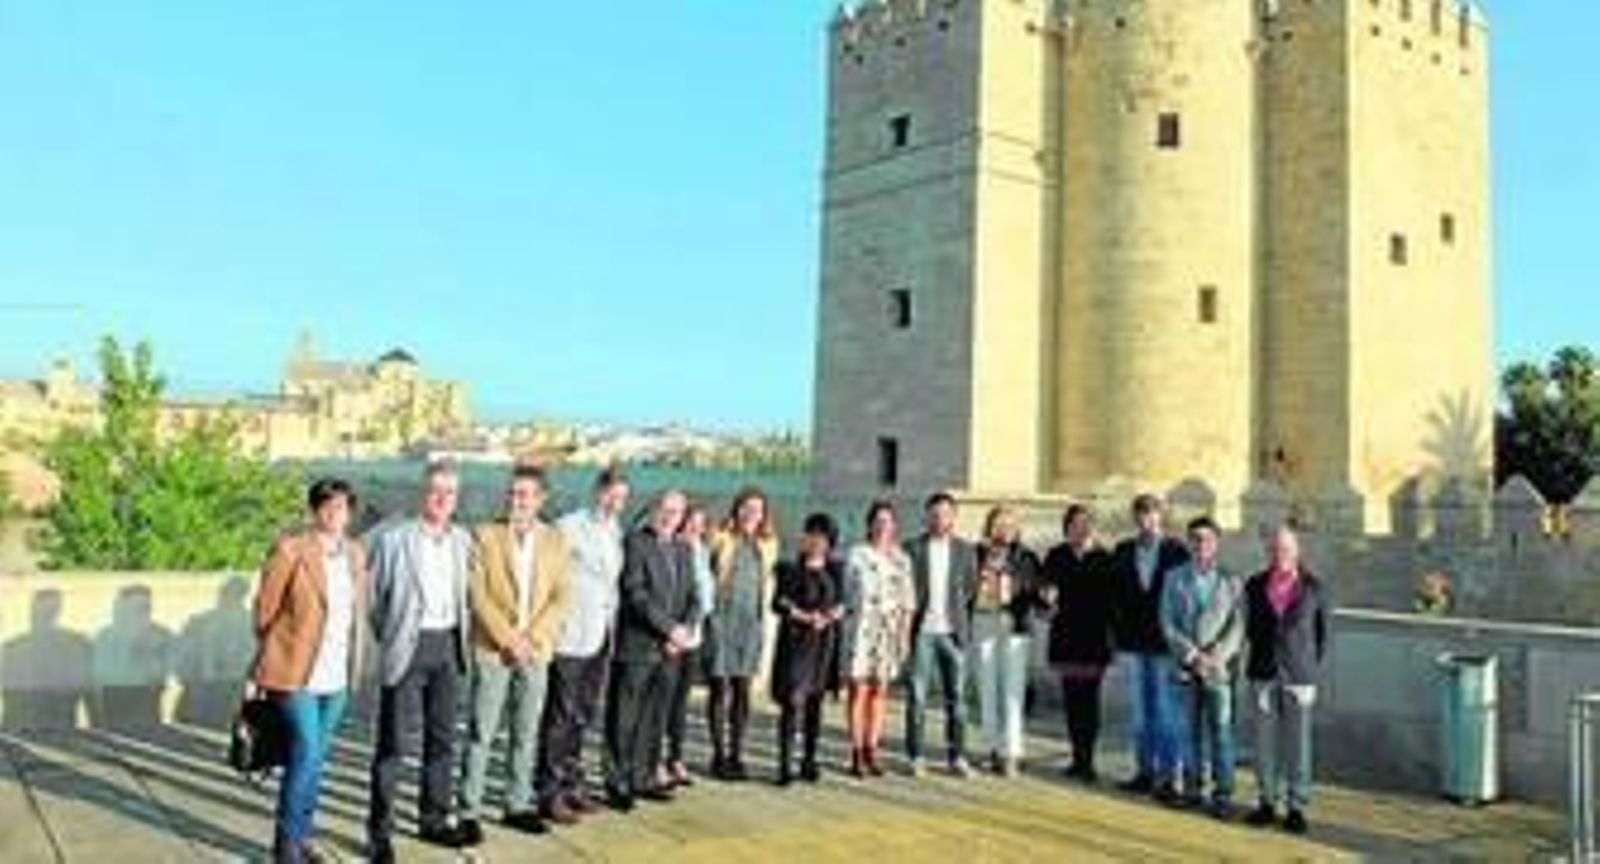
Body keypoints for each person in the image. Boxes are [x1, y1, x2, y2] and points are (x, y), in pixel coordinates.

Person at [252, 478, 368, 864]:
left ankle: (300, 839)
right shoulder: (291, 550)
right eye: (328, 507)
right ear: (314, 511)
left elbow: (356, 613)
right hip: (295, 672)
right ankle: (287, 847)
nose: (336, 514)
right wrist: (277, 650)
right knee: (306, 751)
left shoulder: (355, 553)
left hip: (337, 674)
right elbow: (264, 611)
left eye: (343, 507)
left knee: (316, 758)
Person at [366, 462, 477, 861]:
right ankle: (379, 832)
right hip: (407, 648)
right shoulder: (394, 540)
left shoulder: (463, 540)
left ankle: (433, 819)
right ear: (422, 493)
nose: (443, 498)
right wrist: (394, 637)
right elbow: (374, 601)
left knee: (443, 740)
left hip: (449, 644)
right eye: (436, 490)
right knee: (394, 743)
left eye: (450, 492)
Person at [457, 465, 573, 841]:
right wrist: (508, 638)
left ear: (541, 499)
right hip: (493, 649)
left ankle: (517, 804)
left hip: (535, 652)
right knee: (481, 731)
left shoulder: (556, 540)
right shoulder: (486, 535)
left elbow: (561, 596)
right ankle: (469, 809)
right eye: (512, 493)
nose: (516, 500)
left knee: (526, 732)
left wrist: (531, 639)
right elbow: (477, 594)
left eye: (524, 494)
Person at [536, 468, 630, 826]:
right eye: (612, 496)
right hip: (570, 635)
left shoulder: (614, 530)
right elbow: (551, 578)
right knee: (559, 715)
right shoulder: (568, 526)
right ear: (598, 491)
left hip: (601, 634)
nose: (616, 504)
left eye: (622, 498)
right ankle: (549, 792)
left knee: (583, 714)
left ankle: (573, 785)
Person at [603, 490, 698, 811]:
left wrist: (683, 631)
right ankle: (618, 781)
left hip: (671, 651)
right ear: (654, 510)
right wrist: (669, 629)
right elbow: (635, 593)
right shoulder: (636, 542)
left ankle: (644, 777)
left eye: (677, 511)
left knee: (655, 719)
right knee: (624, 717)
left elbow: (694, 596)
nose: (671, 516)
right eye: (665, 509)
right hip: (639, 647)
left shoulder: (684, 548)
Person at [1243, 525, 1329, 836]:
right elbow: (1249, 629)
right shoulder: (1254, 585)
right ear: (1268, 552)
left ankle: (1297, 807)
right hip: (1263, 673)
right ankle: (1266, 802)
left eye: (1286, 549)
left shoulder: (1314, 587)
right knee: (1263, 744)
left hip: (1299, 676)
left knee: (1299, 745)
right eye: (1275, 549)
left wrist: (1306, 668)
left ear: (1297, 551)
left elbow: (1322, 635)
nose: (1280, 554)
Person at [1160, 516, 1245, 819]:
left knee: (1221, 733)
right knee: (1188, 732)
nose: (1200, 544)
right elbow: (1167, 623)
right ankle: (1195, 789)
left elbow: (1238, 626)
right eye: (1195, 538)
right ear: (1188, 542)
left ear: (1216, 543)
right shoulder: (1174, 578)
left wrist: (1215, 657)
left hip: (1218, 672)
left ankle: (1223, 794)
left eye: (1207, 538)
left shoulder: (1231, 581)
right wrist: (1192, 655)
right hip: (1184, 668)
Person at [1108, 493, 1191, 802]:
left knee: (1167, 712)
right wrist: (1115, 637)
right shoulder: (1123, 550)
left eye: (1153, 514)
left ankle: (1172, 777)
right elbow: (1114, 597)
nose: (1147, 520)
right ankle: (1145, 772)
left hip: (1165, 645)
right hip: (1132, 644)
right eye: (1142, 515)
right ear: (1135, 518)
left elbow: (1184, 598)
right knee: (1141, 713)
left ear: (1161, 517)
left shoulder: (1176, 551)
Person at [704, 487, 780, 782]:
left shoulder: (769, 543)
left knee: (742, 689)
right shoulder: (721, 537)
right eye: (746, 507)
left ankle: (737, 753)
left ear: (763, 515)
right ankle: (718, 754)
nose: (751, 513)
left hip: (750, 623)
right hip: (722, 619)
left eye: (757, 509)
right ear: (736, 509)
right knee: (719, 688)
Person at [903, 491, 978, 778]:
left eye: (945, 514)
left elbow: (970, 591)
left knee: (957, 699)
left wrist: (960, 622)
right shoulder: (912, 548)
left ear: (953, 517)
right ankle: (916, 755)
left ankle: (957, 756)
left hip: (952, 633)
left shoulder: (966, 550)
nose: (939, 519)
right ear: (926, 516)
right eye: (934, 514)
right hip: (922, 631)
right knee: (917, 697)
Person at [840, 500, 917, 778]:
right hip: (861, 632)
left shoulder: (902, 558)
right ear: (869, 524)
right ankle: (856, 751)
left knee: (880, 692)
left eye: (888, 520)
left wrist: (904, 637)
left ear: (894, 525)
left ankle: (873, 749)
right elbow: (845, 596)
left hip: (889, 632)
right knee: (858, 691)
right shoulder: (856, 554)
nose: (883, 525)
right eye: (878, 520)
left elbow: (908, 602)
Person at [1041, 504, 1116, 783]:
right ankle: (1076, 757)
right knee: (1072, 702)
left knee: (1090, 702)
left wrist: (1114, 639)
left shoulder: (1104, 557)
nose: (1080, 528)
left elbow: (1113, 603)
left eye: (1086, 523)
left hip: (1094, 641)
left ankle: (1088, 761)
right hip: (1066, 638)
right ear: (1067, 527)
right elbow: (1044, 589)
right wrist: (1046, 599)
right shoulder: (1056, 555)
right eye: (1075, 524)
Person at [769, 513, 845, 786]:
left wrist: (831, 615)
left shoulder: (836, 569)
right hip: (796, 643)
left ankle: (809, 760)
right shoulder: (789, 569)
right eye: (810, 535)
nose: (815, 541)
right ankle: (785, 764)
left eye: (821, 537)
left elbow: (843, 602)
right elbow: (778, 603)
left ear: (828, 542)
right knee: (792, 702)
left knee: (815, 702)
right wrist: (804, 616)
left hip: (824, 645)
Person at [971, 505, 1041, 778]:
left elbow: (1036, 590)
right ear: (989, 527)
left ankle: (1011, 752)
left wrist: (1043, 595)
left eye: (1010, 525)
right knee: (986, 688)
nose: (1005, 530)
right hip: (984, 622)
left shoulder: (1026, 557)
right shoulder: (977, 553)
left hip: (1014, 625)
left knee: (1013, 693)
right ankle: (990, 749)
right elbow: (965, 585)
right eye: (999, 524)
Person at [661, 504, 716, 790]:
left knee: (681, 703)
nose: (695, 527)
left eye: (701, 523)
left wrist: (695, 627)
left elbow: (703, 597)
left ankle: (675, 758)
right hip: (674, 636)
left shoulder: (703, 551)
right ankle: (656, 759)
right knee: (663, 701)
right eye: (691, 521)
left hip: (695, 637)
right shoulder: (674, 548)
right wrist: (676, 631)